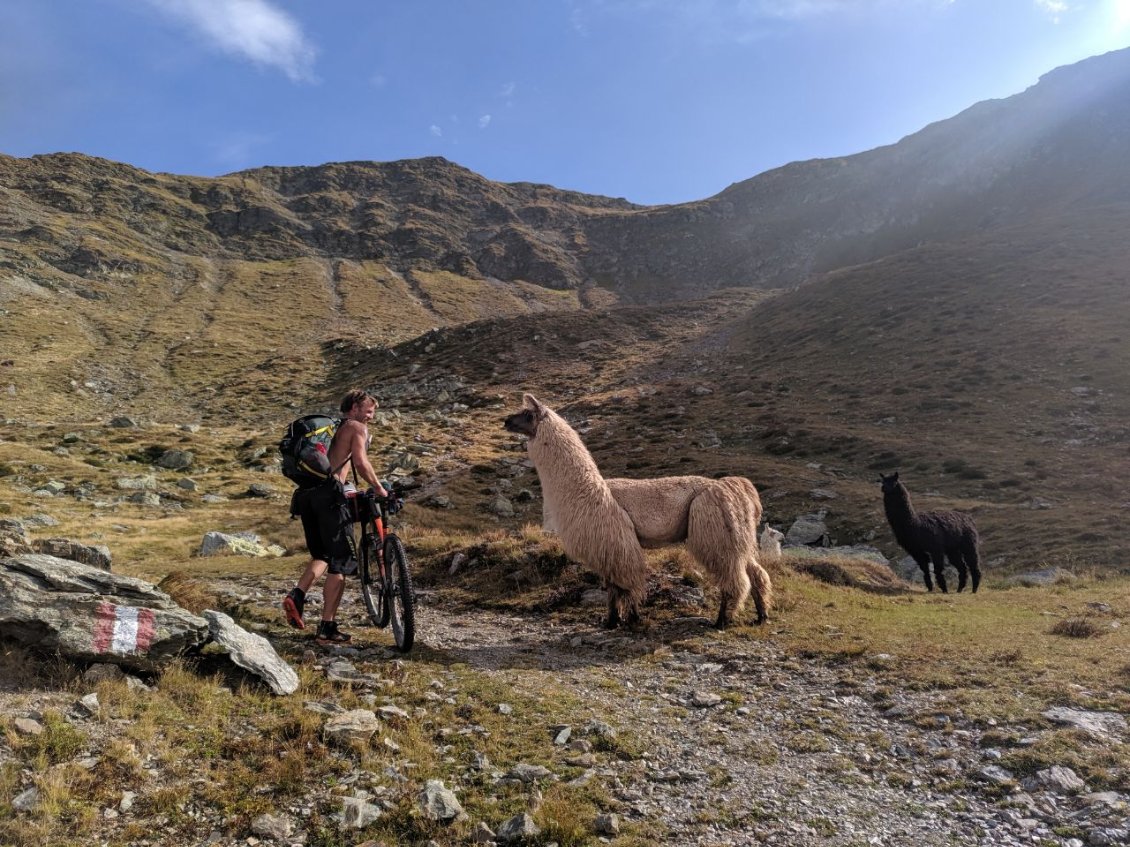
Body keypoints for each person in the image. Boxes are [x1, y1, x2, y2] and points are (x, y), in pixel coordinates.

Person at [283, 389, 388, 645]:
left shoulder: (331, 429)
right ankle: (327, 628)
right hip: (330, 497)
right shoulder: (355, 427)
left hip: (307, 496)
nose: (371, 417)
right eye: (368, 411)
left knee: (323, 555)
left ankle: (297, 595)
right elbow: (361, 463)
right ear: (353, 408)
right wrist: (379, 488)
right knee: (341, 562)